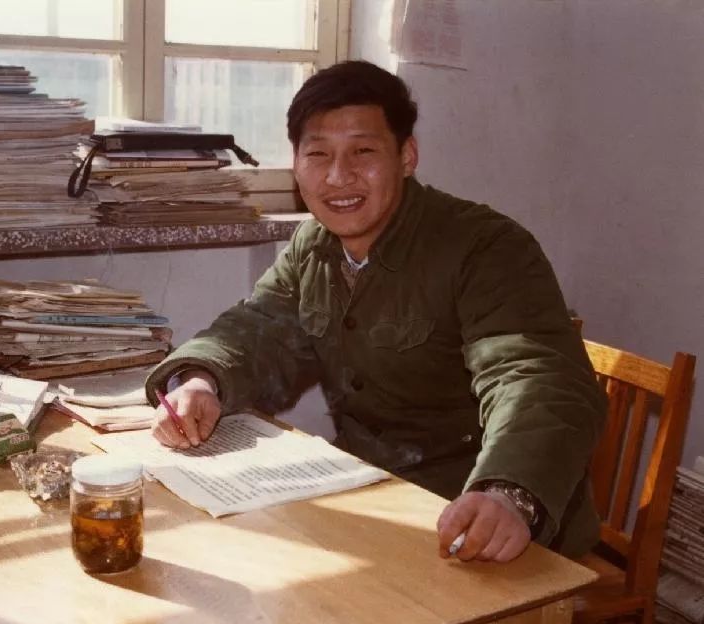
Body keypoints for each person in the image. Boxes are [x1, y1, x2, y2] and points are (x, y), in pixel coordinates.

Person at [144, 60, 606, 563]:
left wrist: (509, 491)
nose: (338, 176)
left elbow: (532, 376)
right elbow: (259, 326)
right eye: (318, 154)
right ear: (296, 163)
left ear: (407, 156)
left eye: (363, 152)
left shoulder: (485, 248)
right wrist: (200, 381)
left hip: (477, 517)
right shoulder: (313, 244)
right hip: (372, 492)